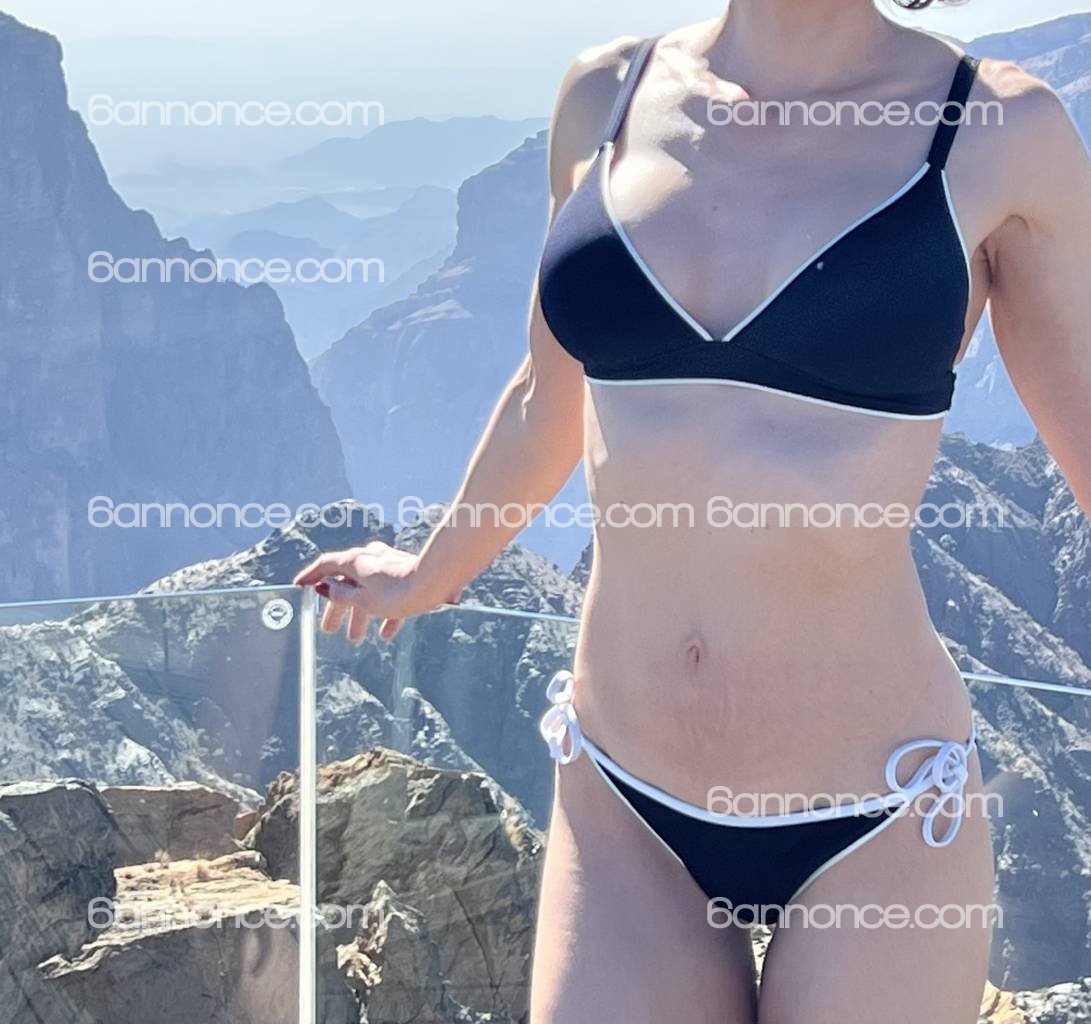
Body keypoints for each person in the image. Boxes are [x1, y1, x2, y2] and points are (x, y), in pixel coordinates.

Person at [295, 2, 1091, 1020]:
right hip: (621, 798)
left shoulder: (995, 128)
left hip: (880, 812)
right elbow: (547, 397)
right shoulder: (604, 94)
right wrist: (428, 574)